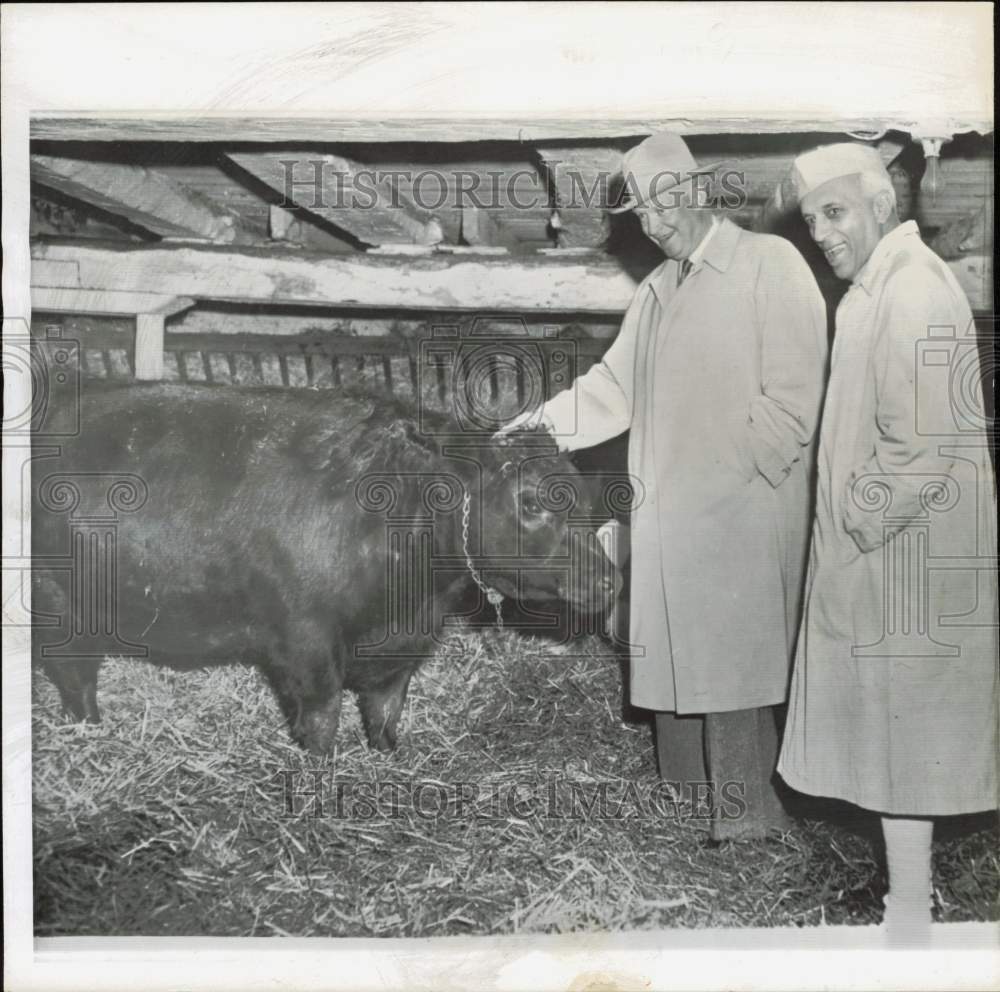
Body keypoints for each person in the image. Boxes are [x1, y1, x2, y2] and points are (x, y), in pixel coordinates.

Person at [499, 133, 828, 841]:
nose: (653, 224)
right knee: (675, 658)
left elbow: (796, 396)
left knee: (729, 669)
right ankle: (684, 813)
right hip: (670, 514)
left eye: (663, 203)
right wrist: (536, 429)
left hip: (739, 514)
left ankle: (748, 827)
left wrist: (735, 484)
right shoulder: (654, 293)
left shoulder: (770, 265)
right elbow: (613, 389)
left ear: (697, 189)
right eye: (641, 214)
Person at [776, 143, 998, 937]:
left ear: (881, 205)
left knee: (907, 731)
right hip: (894, 546)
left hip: (908, 555)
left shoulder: (910, 292)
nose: (823, 234)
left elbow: (920, 449)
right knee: (897, 732)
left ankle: (908, 910)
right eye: (811, 221)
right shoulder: (877, 288)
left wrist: (854, 524)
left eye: (835, 214)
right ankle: (908, 897)